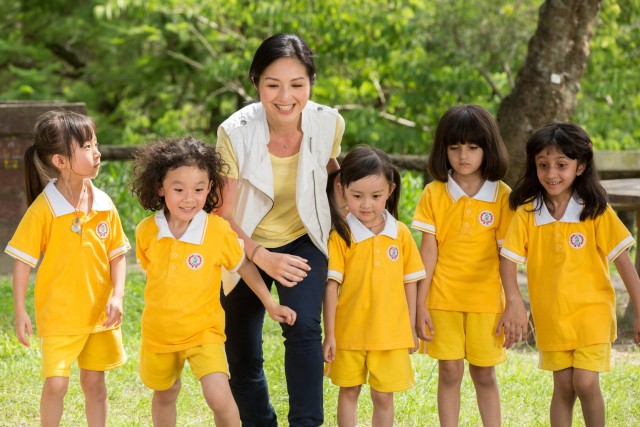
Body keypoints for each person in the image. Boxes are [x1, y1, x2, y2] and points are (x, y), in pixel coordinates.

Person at [215, 33, 344, 426]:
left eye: (297, 84)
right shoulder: (234, 132)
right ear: (256, 83)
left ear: (311, 84)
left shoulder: (329, 123)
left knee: (304, 326)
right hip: (243, 244)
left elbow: (331, 175)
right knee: (240, 353)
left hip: (304, 238)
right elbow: (222, 215)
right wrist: (259, 255)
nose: (285, 96)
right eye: (273, 84)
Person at [130, 136, 297, 427]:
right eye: (178, 189)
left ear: (209, 188)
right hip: (159, 333)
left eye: (198, 189)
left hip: (204, 332)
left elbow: (243, 264)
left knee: (219, 396)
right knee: (166, 393)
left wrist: (270, 302)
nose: (189, 198)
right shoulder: (146, 231)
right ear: (160, 187)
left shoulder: (218, 231)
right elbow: (151, 272)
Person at [498, 122, 640, 427]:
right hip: (552, 319)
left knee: (586, 384)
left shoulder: (595, 210)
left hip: (592, 315)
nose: (552, 173)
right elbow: (508, 261)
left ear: (580, 166)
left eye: (561, 165)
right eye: (543, 165)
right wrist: (514, 302)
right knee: (563, 387)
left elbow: (625, 265)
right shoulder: (526, 213)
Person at [4, 110, 130, 426]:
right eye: (87, 147)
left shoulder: (104, 204)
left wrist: (118, 296)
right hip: (59, 314)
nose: (97, 153)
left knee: (94, 385)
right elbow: (22, 262)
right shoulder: (43, 210)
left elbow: (118, 255)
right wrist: (20, 311)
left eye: (96, 144)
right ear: (60, 161)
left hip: (99, 314)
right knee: (57, 384)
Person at [411, 104, 512, 427]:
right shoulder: (434, 193)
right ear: (444, 150)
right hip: (442, 300)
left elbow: (506, 259)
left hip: (486, 302)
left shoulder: (502, 196)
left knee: (484, 373)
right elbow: (428, 253)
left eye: (472, 147)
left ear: (488, 149)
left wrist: (512, 303)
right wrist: (419, 303)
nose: (463, 156)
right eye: (454, 148)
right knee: (450, 371)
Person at [323, 146, 426, 427]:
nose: (366, 205)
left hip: (391, 335)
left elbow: (411, 284)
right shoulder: (340, 234)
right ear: (343, 190)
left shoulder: (401, 234)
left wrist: (412, 328)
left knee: (384, 397)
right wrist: (329, 334)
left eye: (376, 196)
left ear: (390, 191)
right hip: (349, 334)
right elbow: (331, 286)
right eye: (357, 196)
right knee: (349, 392)